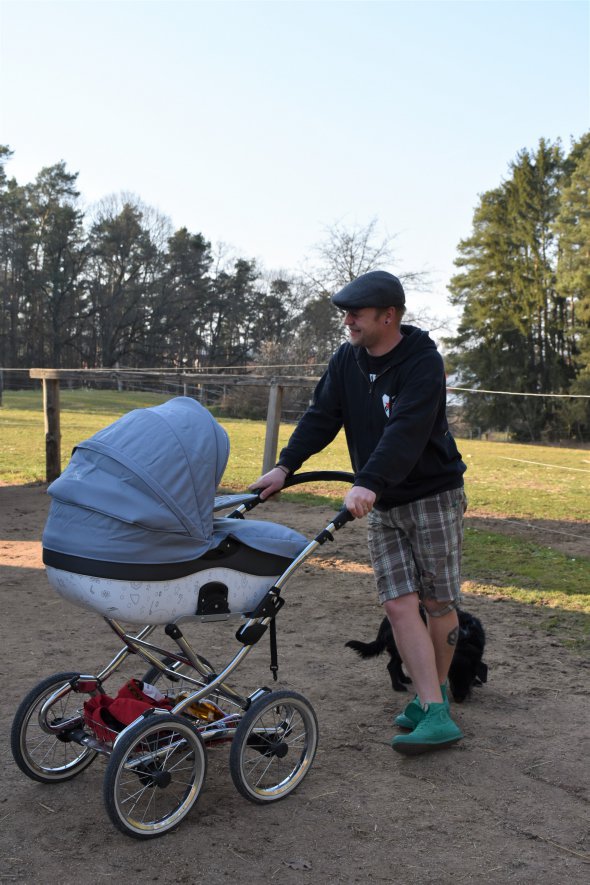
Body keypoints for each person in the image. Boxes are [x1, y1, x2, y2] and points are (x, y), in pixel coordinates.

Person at [250, 270, 467, 755]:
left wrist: (368, 480)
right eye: (345, 313)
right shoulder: (347, 360)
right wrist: (285, 467)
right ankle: (433, 707)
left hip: (431, 494)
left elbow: (407, 431)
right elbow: (321, 416)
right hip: (380, 499)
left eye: (356, 314)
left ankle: (435, 698)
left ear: (388, 316)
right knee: (397, 602)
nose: (347, 321)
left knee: (437, 603)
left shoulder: (423, 362)